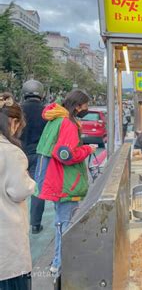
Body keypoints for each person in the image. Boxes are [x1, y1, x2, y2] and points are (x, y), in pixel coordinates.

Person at [35, 89, 96, 275]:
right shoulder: (67, 123)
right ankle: (60, 265)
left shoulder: (56, 118)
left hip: (53, 178)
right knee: (65, 225)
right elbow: (65, 154)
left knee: (61, 223)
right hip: (65, 182)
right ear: (78, 105)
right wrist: (87, 149)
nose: (87, 108)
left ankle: (58, 263)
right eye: (85, 105)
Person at [0, 93, 36, 289]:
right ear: (12, 122)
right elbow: (19, 190)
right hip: (6, 245)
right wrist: (32, 183)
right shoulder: (10, 152)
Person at [20, 79, 48, 234]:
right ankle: (35, 224)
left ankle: (18, 222)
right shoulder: (46, 112)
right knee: (38, 190)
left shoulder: (16, 110)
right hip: (39, 155)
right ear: (42, 94)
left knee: (15, 188)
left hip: (18, 153)